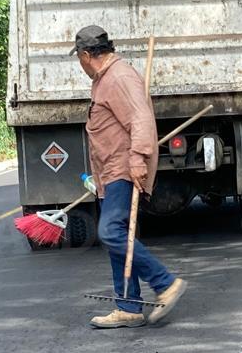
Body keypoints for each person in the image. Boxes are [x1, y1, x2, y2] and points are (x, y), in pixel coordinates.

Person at [73, 25, 188, 329]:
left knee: (110, 231)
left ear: (86, 55)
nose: (80, 64)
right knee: (119, 235)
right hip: (109, 170)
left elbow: (140, 118)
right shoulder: (106, 79)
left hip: (123, 167)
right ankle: (129, 306)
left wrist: (138, 159)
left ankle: (165, 283)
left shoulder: (119, 77)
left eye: (79, 59)